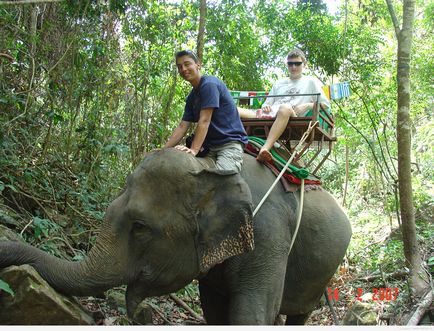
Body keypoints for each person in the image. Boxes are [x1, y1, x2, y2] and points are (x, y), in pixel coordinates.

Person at [238, 49, 330, 163]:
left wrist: (308, 105)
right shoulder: (278, 83)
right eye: (290, 64)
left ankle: (265, 148)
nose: (294, 67)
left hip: (291, 114)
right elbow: (267, 104)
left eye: (297, 63)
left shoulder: (310, 81)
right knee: (235, 109)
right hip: (269, 114)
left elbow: (325, 105)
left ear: (304, 64)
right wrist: (265, 107)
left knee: (284, 108)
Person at [165, 50, 248, 173]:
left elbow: (204, 120)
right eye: (179, 66)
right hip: (209, 147)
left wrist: (193, 150)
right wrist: (163, 150)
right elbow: (183, 126)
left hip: (228, 144)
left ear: (198, 64)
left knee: (220, 180)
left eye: (187, 64)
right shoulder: (192, 97)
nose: (183, 69)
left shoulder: (209, 84)